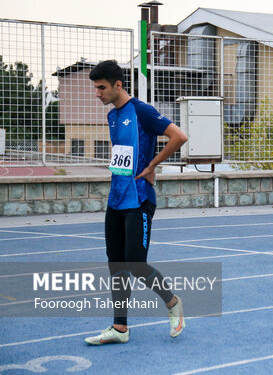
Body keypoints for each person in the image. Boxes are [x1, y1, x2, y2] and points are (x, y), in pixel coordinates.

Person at [84, 60, 188, 345]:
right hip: (116, 199)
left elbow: (179, 137)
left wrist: (153, 165)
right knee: (116, 264)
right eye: (96, 88)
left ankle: (172, 302)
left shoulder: (142, 110)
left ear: (118, 84)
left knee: (136, 263)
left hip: (140, 199)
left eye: (102, 88)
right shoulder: (112, 116)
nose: (98, 94)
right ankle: (120, 328)